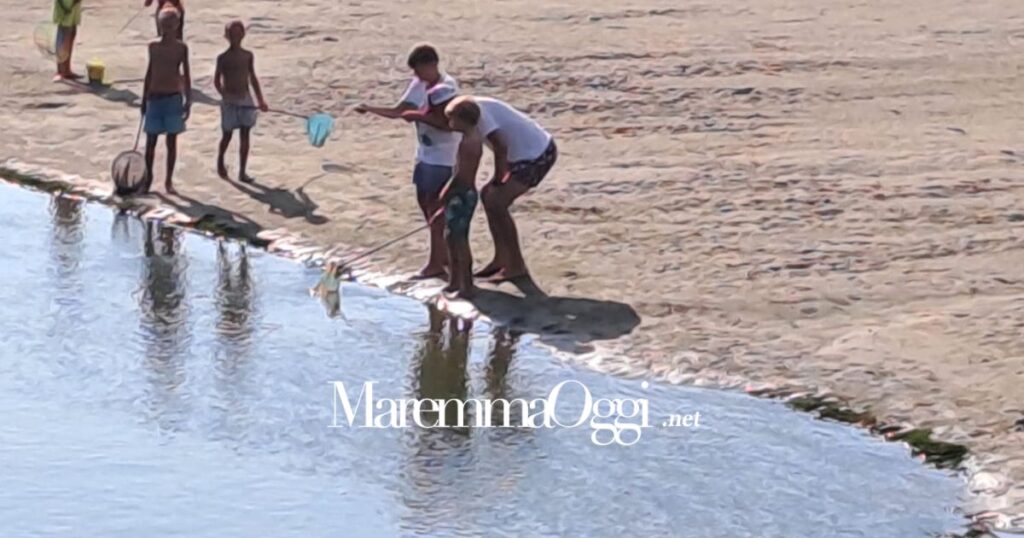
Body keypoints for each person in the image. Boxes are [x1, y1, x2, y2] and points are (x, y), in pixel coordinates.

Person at [354, 43, 460, 280]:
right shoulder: (419, 84)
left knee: (436, 207)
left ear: (432, 65)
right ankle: (442, 255)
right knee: (424, 202)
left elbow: (446, 123)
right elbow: (399, 111)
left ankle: (436, 263)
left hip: (444, 156)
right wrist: (370, 109)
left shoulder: (446, 88)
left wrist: (416, 116)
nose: (417, 76)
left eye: (419, 70)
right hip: (424, 153)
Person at [471, 96, 557, 282]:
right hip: (519, 155)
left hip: (536, 154)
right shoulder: (465, 109)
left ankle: (516, 266)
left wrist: (499, 175)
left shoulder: (476, 113)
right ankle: (501, 258)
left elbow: (500, 145)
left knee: (497, 202)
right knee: (488, 196)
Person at [437, 96, 484, 298]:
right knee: (450, 236)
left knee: (459, 239)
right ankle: (455, 281)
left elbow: (461, 174)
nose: (450, 124)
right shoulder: (472, 138)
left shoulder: (468, 143)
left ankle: (466, 285)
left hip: (462, 194)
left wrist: (446, 192)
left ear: (464, 120)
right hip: (464, 193)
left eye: (452, 119)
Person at [141, 8, 191, 194]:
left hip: (173, 98)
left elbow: (186, 74)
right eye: (163, 26)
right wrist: (144, 98)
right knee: (150, 141)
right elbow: (149, 72)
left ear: (177, 26)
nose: (166, 30)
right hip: (155, 97)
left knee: (172, 142)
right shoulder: (153, 47)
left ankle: (168, 181)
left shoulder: (181, 48)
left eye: (170, 26)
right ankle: (148, 178)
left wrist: (189, 98)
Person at [215, 20, 269, 183]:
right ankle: (220, 161)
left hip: (245, 98)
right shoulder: (223, 58)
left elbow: (253, 78)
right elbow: (217, 81)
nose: (236, 37)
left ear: (243, 35)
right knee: (227, 135)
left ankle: (242, 171)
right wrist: (225, 95)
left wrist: (260, 100)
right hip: (230, 101)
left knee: (245, 135)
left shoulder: (248, 55)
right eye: (232, 34)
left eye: (239, 34)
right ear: (227, 36)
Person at [52, 0, 82, 80]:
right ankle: (60, 70)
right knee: (64, 35)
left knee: (71, 33)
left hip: (73, 6)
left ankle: (67, 69)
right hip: (65, 5)